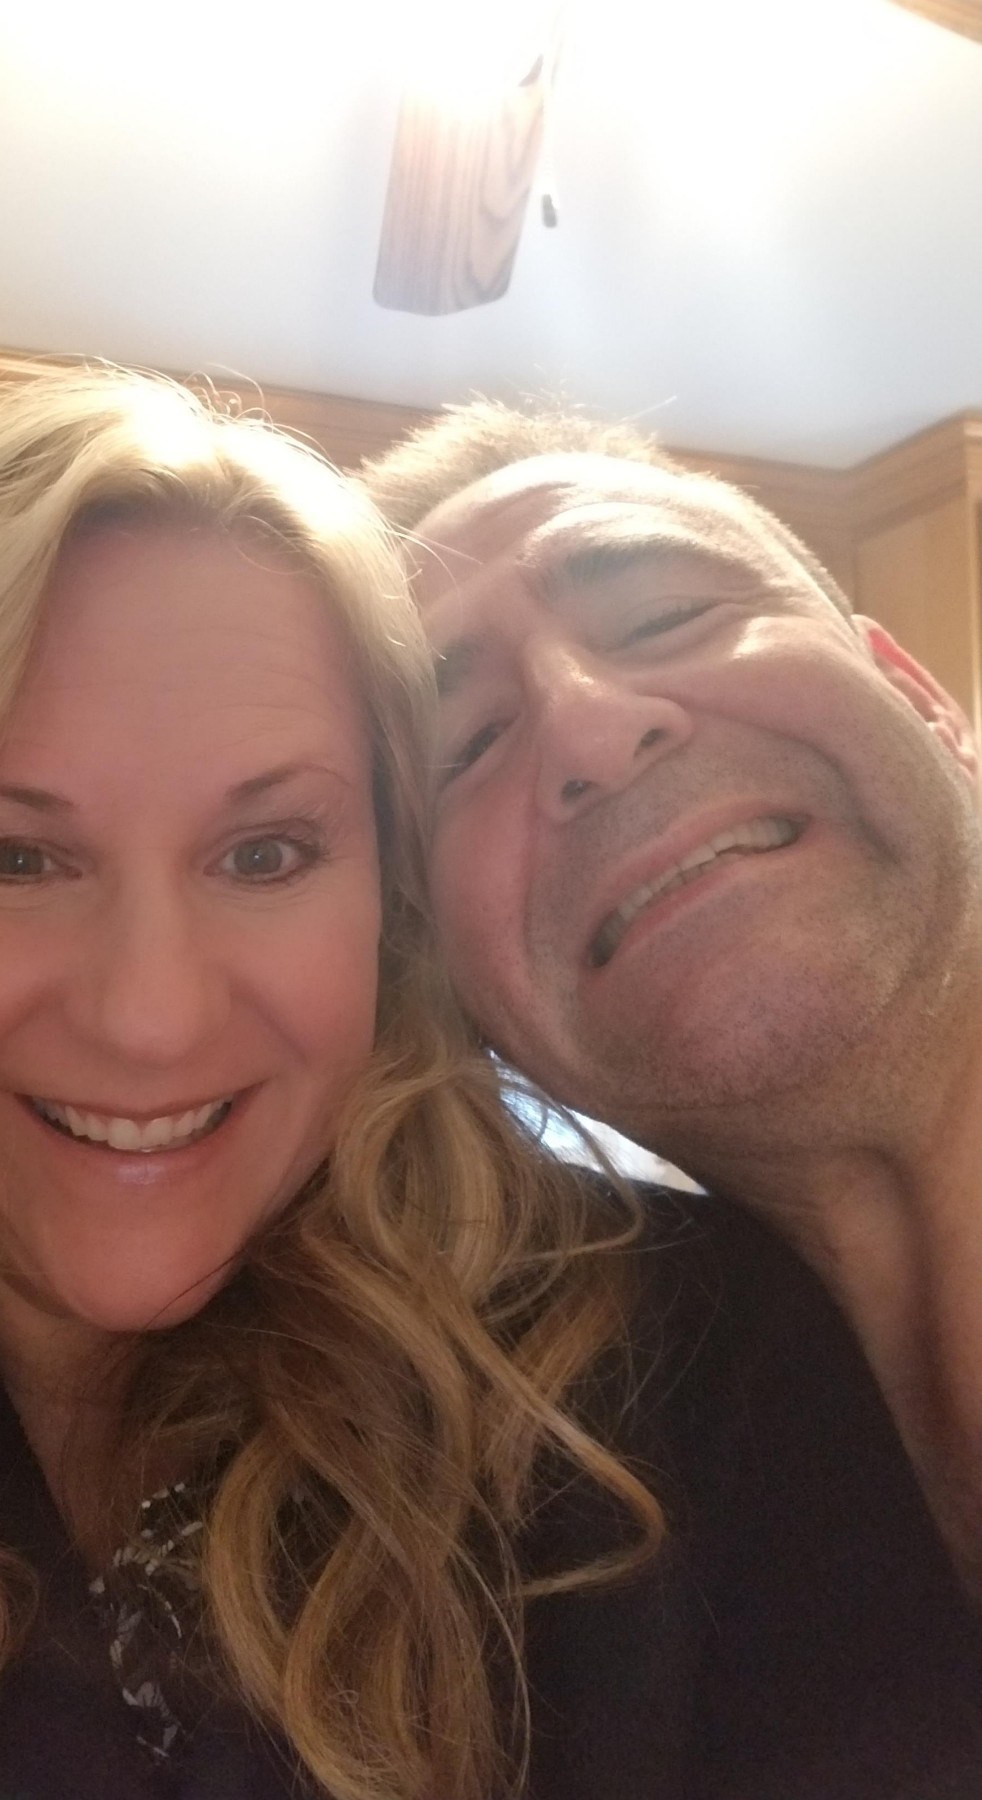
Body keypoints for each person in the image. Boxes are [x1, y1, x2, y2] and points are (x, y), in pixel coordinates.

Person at [0, 368, 663, 1800]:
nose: (151, 1018)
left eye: (265, 854)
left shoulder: (652, 1385)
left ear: (390, 902)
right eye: (11, 858)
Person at [362, 401, 982, 1599]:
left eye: (666, 615)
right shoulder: (574, 1548)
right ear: (450, 985)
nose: (590, 731)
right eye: (466, 746)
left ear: (922, 698)